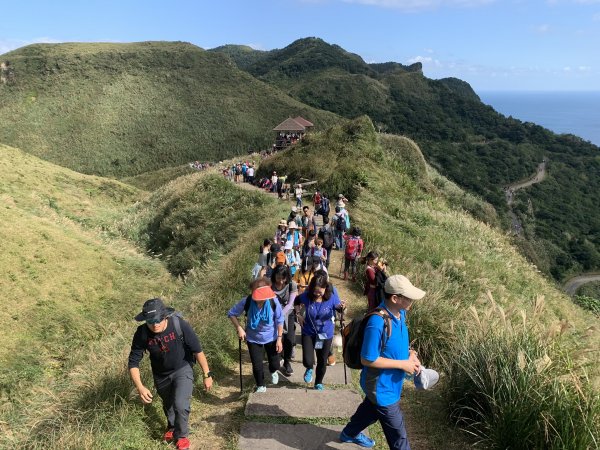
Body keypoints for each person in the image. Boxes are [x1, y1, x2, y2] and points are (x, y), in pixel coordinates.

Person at [339, 275, 425, 449]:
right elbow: (368, 358)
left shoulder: (400, 314)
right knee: (399, 438)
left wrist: (410, 354)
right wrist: (403, 365)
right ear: (395, 298)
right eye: (408, 297)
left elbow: (394, 343)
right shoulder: (377, 322)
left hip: (390, 384)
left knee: (370, 411)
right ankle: (350, 432)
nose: (412, 301)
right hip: (382, 388)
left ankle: (349, 433)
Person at [128, 298, 213, 450]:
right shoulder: (141, 334)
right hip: (160, 374)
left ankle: (182, 437)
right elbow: (133, 363)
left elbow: (197, 350)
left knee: (180, 404)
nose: (155, 324)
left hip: (183, 368)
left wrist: (207, 374)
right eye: (150, 321)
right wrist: (140, 387)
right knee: (168, 404)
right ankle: (172, 427)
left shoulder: (179, 325)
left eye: (159, 319)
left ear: (165, 316)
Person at [227, 278, 284, 393]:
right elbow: (231, 314)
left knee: (275, 364)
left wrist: (279, 339)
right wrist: (240, 329)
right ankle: (260, 385)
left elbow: (280, 319)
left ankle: (273, 371)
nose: (260, 301)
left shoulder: (273, 301)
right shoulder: (247, 301)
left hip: (271, 338)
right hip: (253, 338)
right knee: (257, 364)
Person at [294, 271, 345, 390]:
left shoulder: (331, 298)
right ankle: (309, 368)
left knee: (322, 360)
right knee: (308, 359)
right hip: (308, 331)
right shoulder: (306, 296)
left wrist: (342, 307)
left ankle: (318, 382)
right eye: (315, 291)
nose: (317, 294)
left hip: (325, 334)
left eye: (320, 291)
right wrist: (298, 314)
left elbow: (339, 308)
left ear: (325, 288)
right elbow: (296, 301)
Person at [271, 265, 299, 376]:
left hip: (288, 314)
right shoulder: (270, 285)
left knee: (289, 340)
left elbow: (290, 303)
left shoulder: (292, 285)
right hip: (272, 314)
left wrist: (280, 315)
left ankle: (287, 362)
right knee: (275, 338)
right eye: (278, 278)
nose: (281, 281)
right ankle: (276, 359)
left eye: (283, 278)